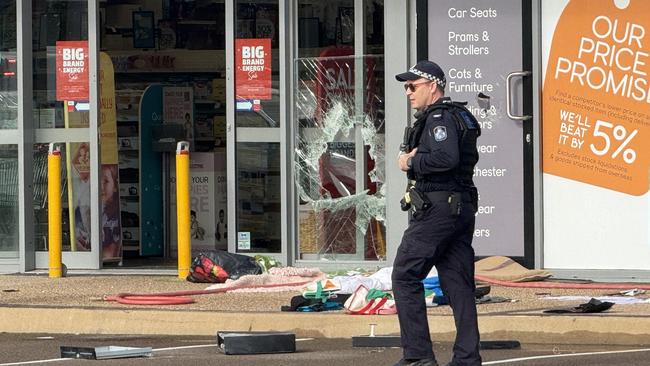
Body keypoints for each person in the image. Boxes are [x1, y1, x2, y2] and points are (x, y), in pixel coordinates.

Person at [391, 61, 482, 366]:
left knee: (404, 276)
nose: (408, 92)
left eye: (412, 86)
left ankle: (417, 357)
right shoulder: (457, 115)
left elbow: (446, 157)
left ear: (432, 86)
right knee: (458, 284)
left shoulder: (440, 118)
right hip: (461, 208)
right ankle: (467, 359)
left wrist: (409, 163)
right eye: (405, 86)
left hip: (438, 210)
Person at [101, 165, 122, 260]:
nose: (101, 186)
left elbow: (109, 254)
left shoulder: (115, 217)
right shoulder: (82, 212)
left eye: (106, 181)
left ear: (115, 186)